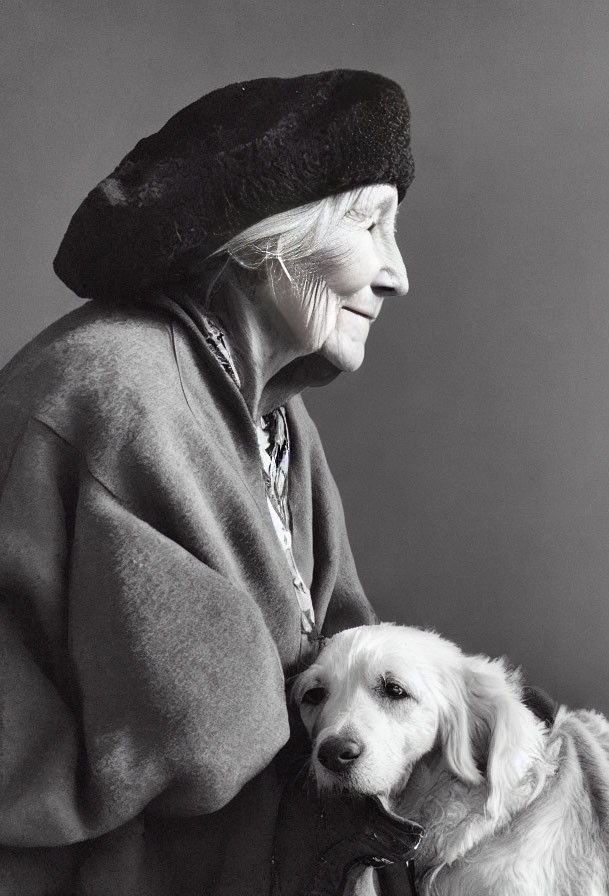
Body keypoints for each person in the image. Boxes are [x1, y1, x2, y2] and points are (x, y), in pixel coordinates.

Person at [0, 70, 415, 895]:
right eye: (370, 225)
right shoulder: (108, 391)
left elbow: (342, 642)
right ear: (268, 238)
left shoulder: (274, 415)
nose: (397, 275)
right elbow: (199, 728)